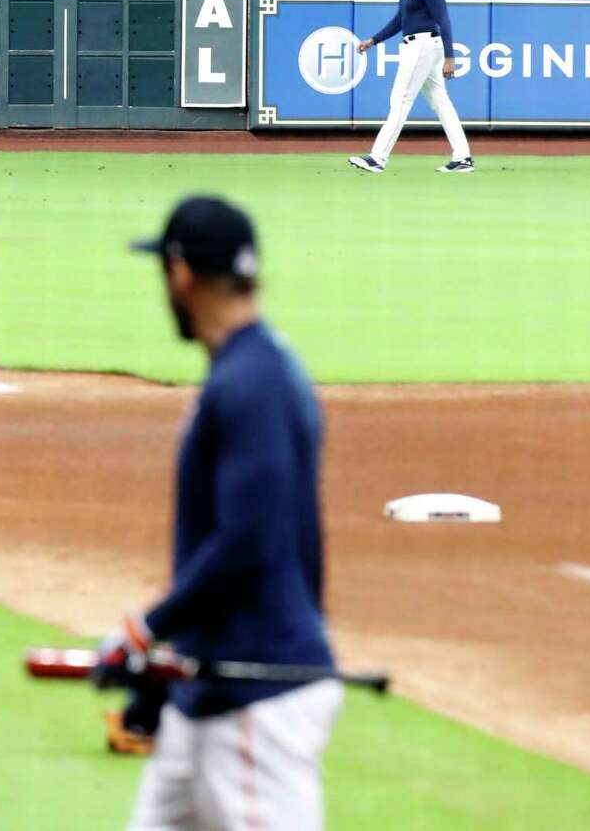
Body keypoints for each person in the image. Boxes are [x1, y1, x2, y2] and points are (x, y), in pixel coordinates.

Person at [97, 196, 340, 829]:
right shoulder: (252, 371)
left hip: (259, 701)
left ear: (181, 274)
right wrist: (171, 664)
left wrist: (144, 632)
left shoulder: (253, 384)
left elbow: (245, 544)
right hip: (207, 690)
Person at [349, 0, 473, 173]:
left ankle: (377, 158)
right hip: (421, 45)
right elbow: (399, 21)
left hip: (423, 45)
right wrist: (374, 40)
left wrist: (450, 57)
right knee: (441, 102)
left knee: (401, 99)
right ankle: (463, 157)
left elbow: (444, 20)